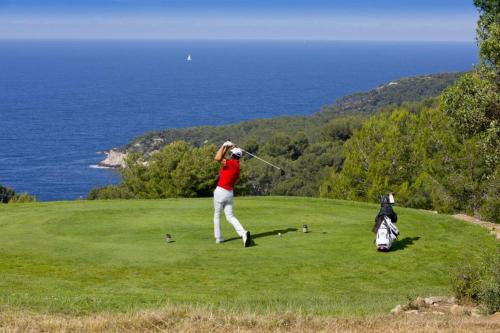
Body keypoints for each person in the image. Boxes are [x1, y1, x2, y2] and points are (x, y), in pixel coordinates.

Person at [213, 141, 251, 247]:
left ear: (232, 155)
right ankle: (243, 233)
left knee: (217, 216)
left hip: (220, 191)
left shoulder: (230, 163)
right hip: (229, 193)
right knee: (230, 216)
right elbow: (222, 158)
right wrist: (228, 147)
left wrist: (223, 145)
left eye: (231, 154)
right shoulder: (236, 166)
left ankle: (219, 238)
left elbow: (217, 158)